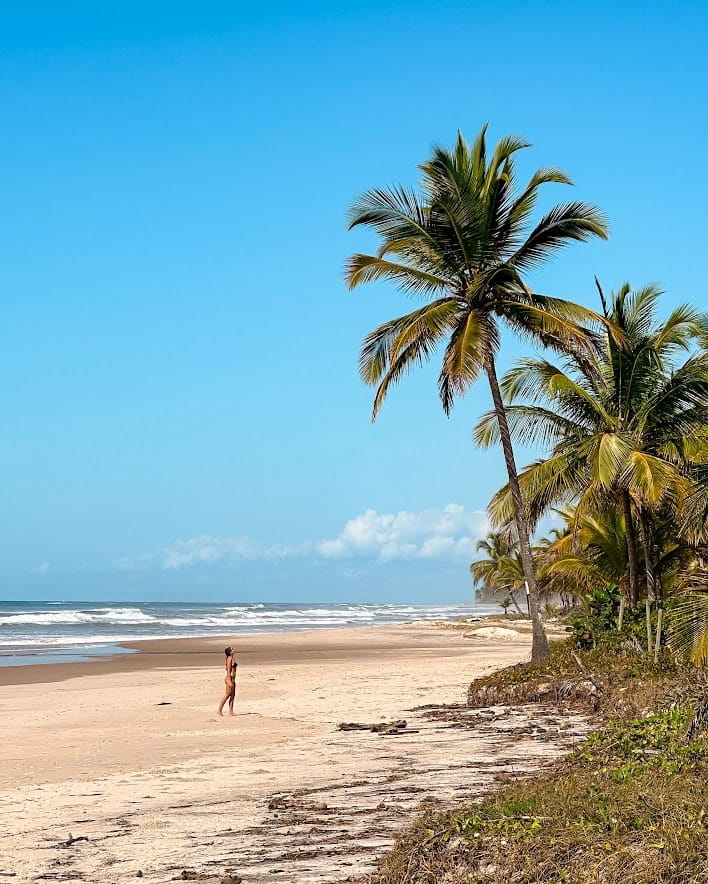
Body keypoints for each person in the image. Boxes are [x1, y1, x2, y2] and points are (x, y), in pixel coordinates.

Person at [218, 645, 237, 716]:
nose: (234, 649)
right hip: (229, 678)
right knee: (227, 695)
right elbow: (228, 669)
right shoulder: (229, 658)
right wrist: (229, 680)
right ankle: (219, 710)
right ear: (230, 652)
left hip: (233, 679)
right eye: (232, 649)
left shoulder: (232, 658)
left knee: (232, 695)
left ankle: (231, 712)